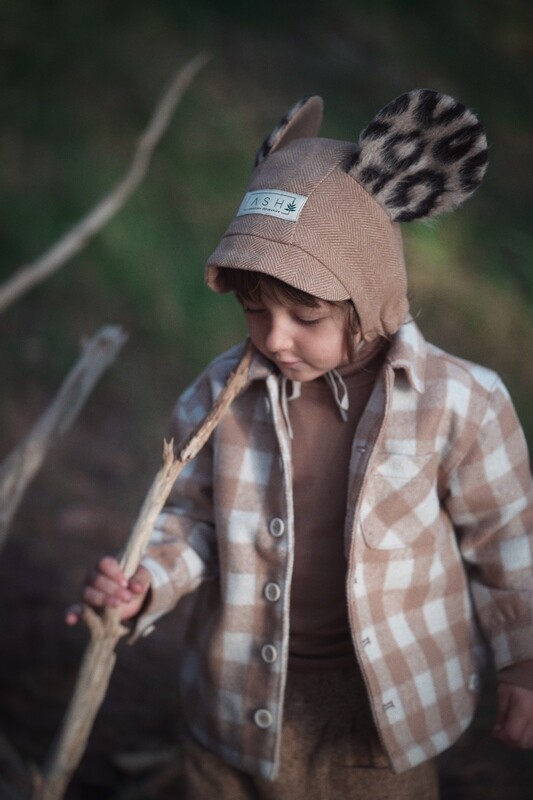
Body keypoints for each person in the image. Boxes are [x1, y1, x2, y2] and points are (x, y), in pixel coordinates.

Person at [67, 89, 533, 799]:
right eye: (254, 310)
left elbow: (508, 541)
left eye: (304, 314)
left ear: (370, 295)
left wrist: (522, 662)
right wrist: (147, 582)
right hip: (232, 698)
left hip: (376, 723)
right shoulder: (221, 394)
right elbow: (189, 519)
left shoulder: (460, 403)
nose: (273, 338)